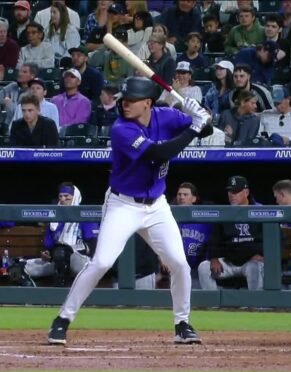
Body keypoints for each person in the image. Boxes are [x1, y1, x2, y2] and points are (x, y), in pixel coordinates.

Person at [46, 76, 211, 346]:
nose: (125, 104)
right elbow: (158, 154)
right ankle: (63, 319)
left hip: (157, 206)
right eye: (124, 100)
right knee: (101, 262)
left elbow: (204, 128)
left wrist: (202, 115)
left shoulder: (166, 116)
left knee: (180, 264)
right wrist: (194, 127)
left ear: (148, 103)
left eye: (132, 101)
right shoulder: (122, 129)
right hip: (123, 205)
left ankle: (182, 324)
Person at [21, 183, 99, 286]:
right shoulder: (55, 219)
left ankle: (61, 289)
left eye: (67, 196)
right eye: (60, 196)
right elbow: (48, 247)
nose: (62, 199)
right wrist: (46, 253)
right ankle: (34, 296)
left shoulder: (85, 216)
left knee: (62, 252)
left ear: (74, 197)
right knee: (19, 268)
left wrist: (69, 250)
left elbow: (93, 247)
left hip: (82, 262)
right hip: (57, 261)